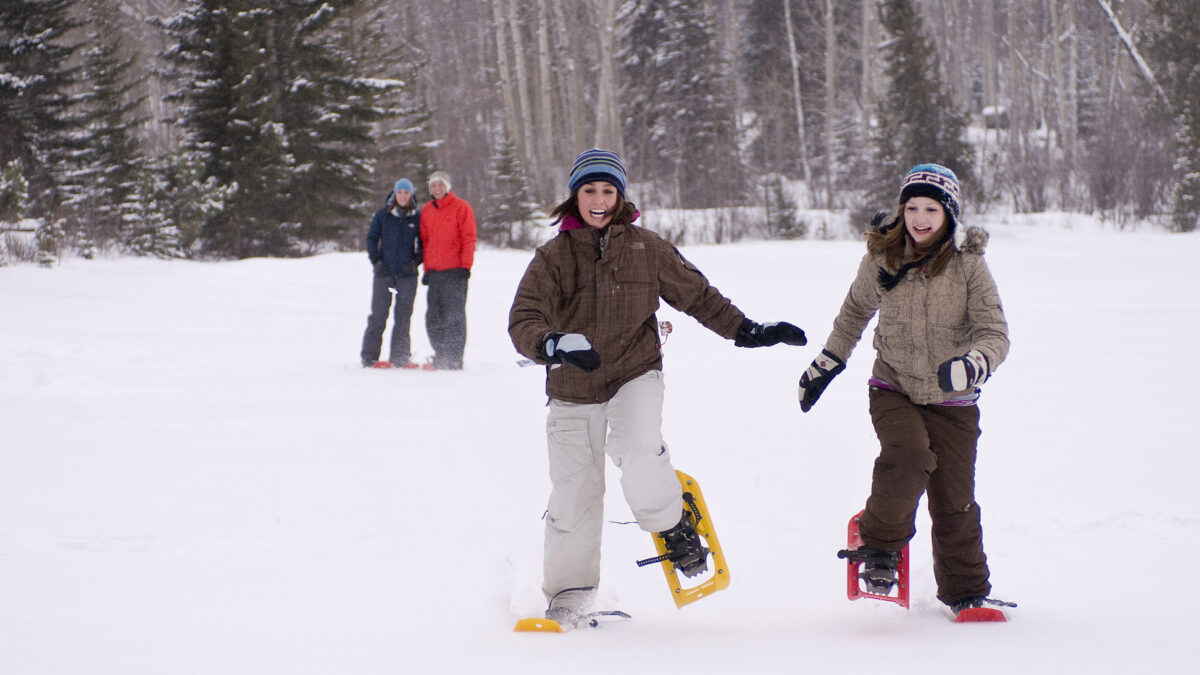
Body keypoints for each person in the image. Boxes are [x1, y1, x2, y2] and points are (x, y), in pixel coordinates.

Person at [508, 148, 808, 625]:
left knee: (639, 446)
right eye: (590, 190)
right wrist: (553, 343)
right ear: (575, 197)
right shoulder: (554, 257)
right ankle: (570, 594)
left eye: (608, 190)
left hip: (634, 371)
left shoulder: (647, 248)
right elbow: (524, 318)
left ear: (621, 196)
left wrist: (746, 330)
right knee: (573, 493)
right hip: (572, 387)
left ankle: (673, 525)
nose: (599, 199)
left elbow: (698, 295)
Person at [797, 163, 1010, 615]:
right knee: (908, 458)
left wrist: (973, 365)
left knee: (955, 501)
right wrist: (827, 362)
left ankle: (966, 592)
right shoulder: (883, 257)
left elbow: (995, 332)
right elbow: (855, 312)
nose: (920, 217)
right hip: (893, 386)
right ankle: (879, 547)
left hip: (954, 399)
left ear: (948, 214)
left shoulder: (969, 265)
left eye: (931, 208)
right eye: (912, 206)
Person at [361, 179, 422, 368]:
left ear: (411, 195)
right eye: (400, 192)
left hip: (407, 276)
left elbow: (424, 243)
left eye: (406, 193)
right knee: (378, 315)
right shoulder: (383, 215)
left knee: (403, 317)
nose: (403, 196)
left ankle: (400, 357)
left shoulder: (417, 217)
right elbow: (372, 239)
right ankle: (369, 357)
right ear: (394, 195)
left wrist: (415, 262)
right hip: (384, 275)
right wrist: (377, 261)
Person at [418, 170, 476, 370]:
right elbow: (426, 242)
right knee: (433, 318)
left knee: (454, 318)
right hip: (435, 273)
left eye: (440, 185)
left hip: (456, 272)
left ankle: (454, 359)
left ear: (447, 186)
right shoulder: (427, 210)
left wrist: (466, 266)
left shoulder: (461, 207)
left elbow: (469, 237)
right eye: (433, 185)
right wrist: (426, 270)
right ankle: (441, 354)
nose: (437, 189)